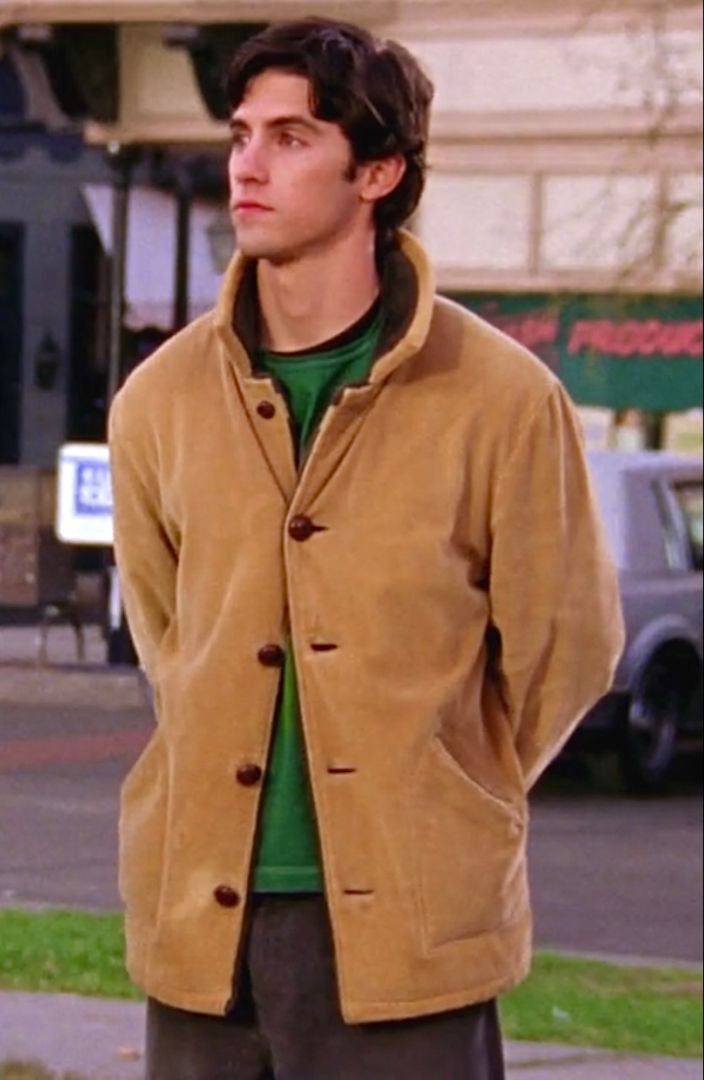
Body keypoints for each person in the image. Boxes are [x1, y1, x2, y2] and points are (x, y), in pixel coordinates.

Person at [108, 17, 624, 1079]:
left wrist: (443, 785)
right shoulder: (156, 399)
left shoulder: (502, 398)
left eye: (292, 137)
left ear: (377, 171)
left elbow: (562, 648)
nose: (248, 162)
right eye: (242, 133)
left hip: (407, 931)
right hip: (201, 921)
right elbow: (168, 637)